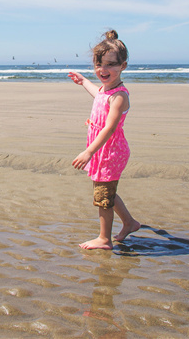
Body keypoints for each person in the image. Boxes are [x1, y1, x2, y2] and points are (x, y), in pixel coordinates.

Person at [68, 30, 141, 250]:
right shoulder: (105, 90)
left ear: (123, 66)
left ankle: (104, 239)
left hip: (109, 152)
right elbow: (97, 93)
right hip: (103, 152)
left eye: (110, 64)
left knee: (103, 197)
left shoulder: (119, 96)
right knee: (106, 190)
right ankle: (129, 223)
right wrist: (83, 81)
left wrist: (88, 151)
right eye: (99, 64)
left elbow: (109, 128)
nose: (103, 70)